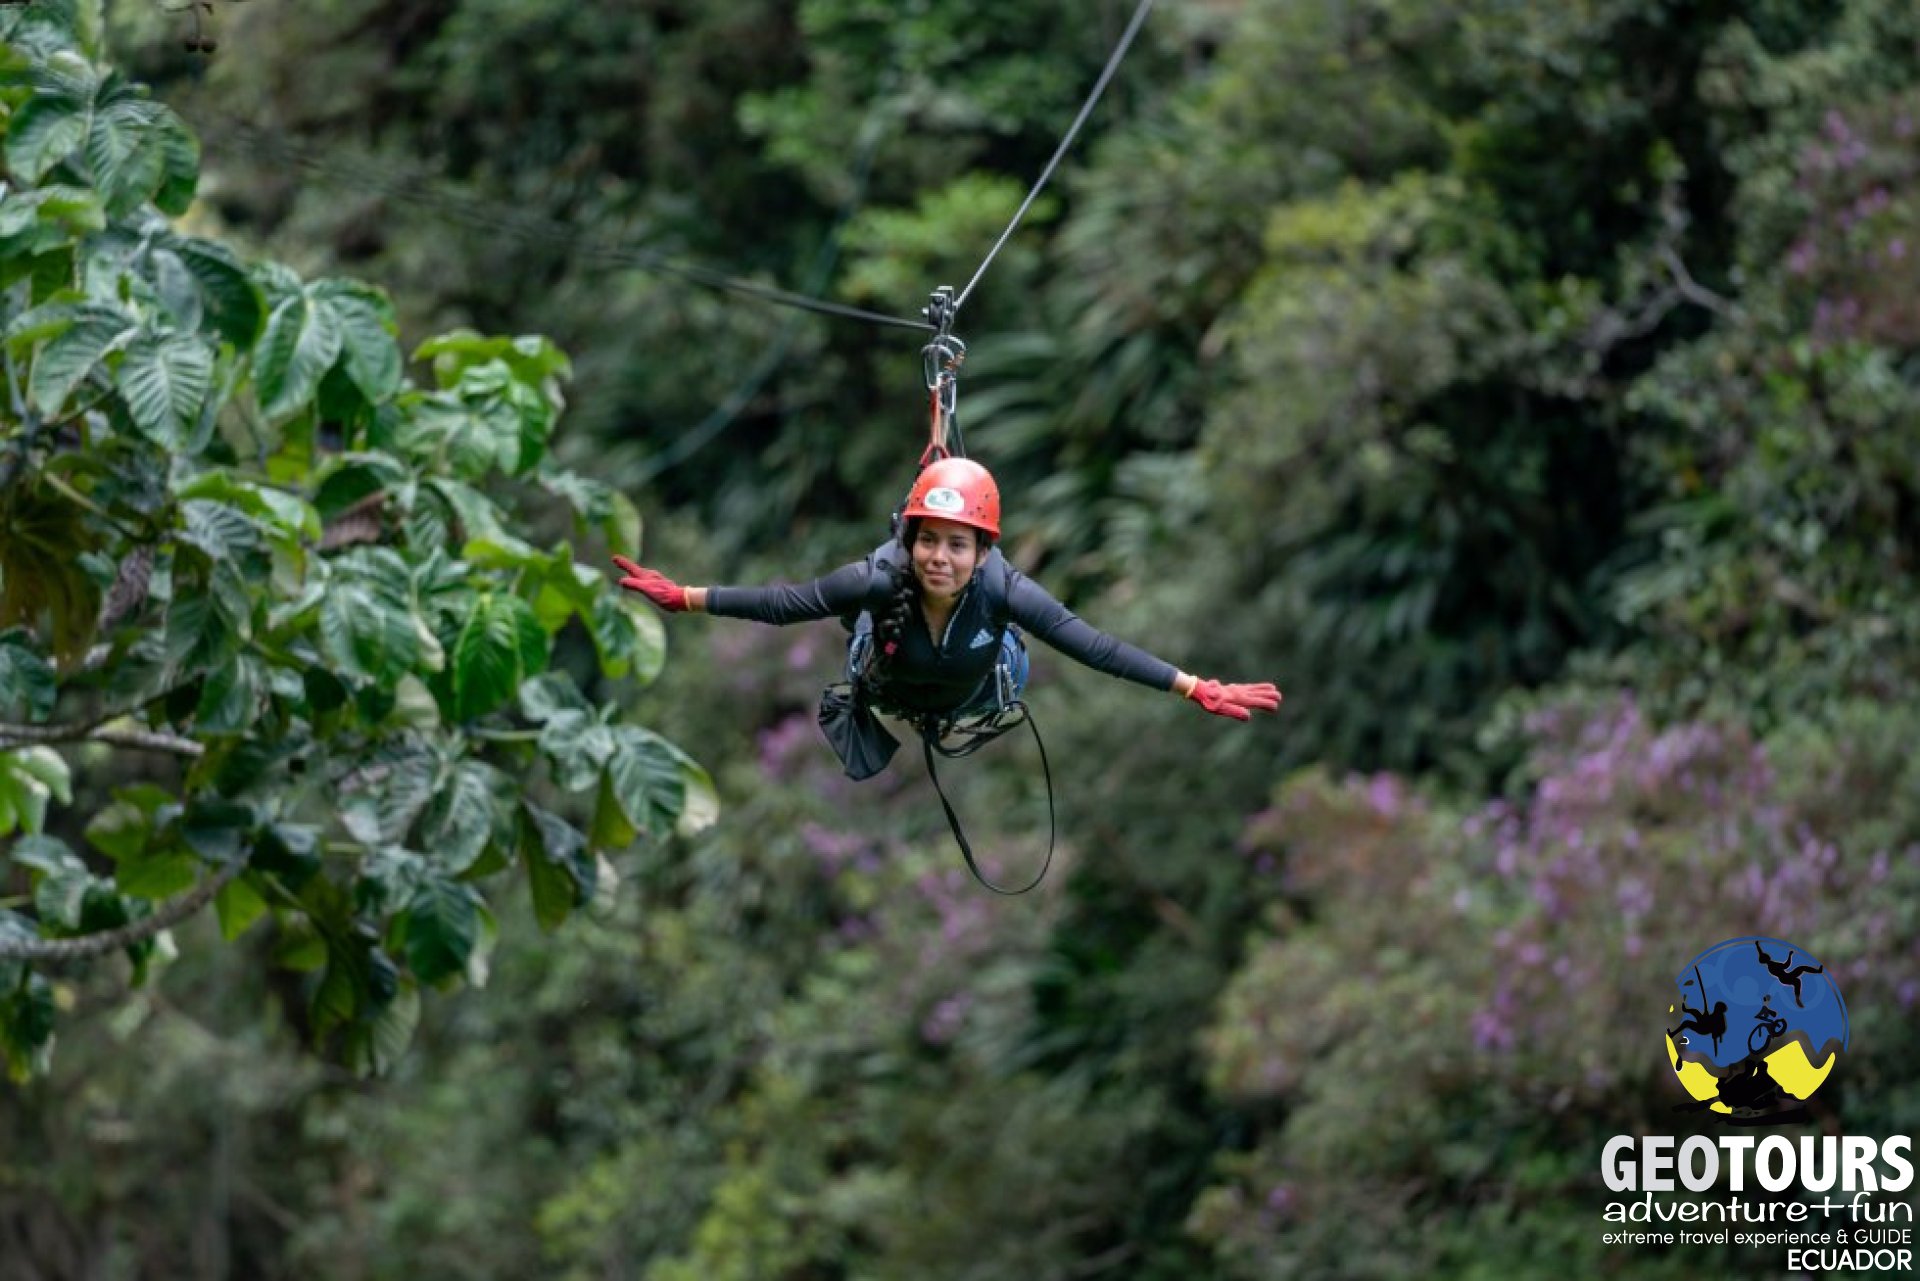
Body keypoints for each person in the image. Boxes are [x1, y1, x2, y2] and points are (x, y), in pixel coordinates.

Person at [609, 457, 1281, 776]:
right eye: (927, 539)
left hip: (977, 687)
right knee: (866, 631)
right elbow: (788, 604)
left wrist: (1195, 686)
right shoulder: (879, 579)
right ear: (911, 537)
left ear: (982, 549)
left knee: (1012, 646)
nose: (938, 557)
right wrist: (686, 596)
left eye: (957, 544)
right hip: (894, 681)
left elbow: (1093, 646)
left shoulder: (1005, 589)